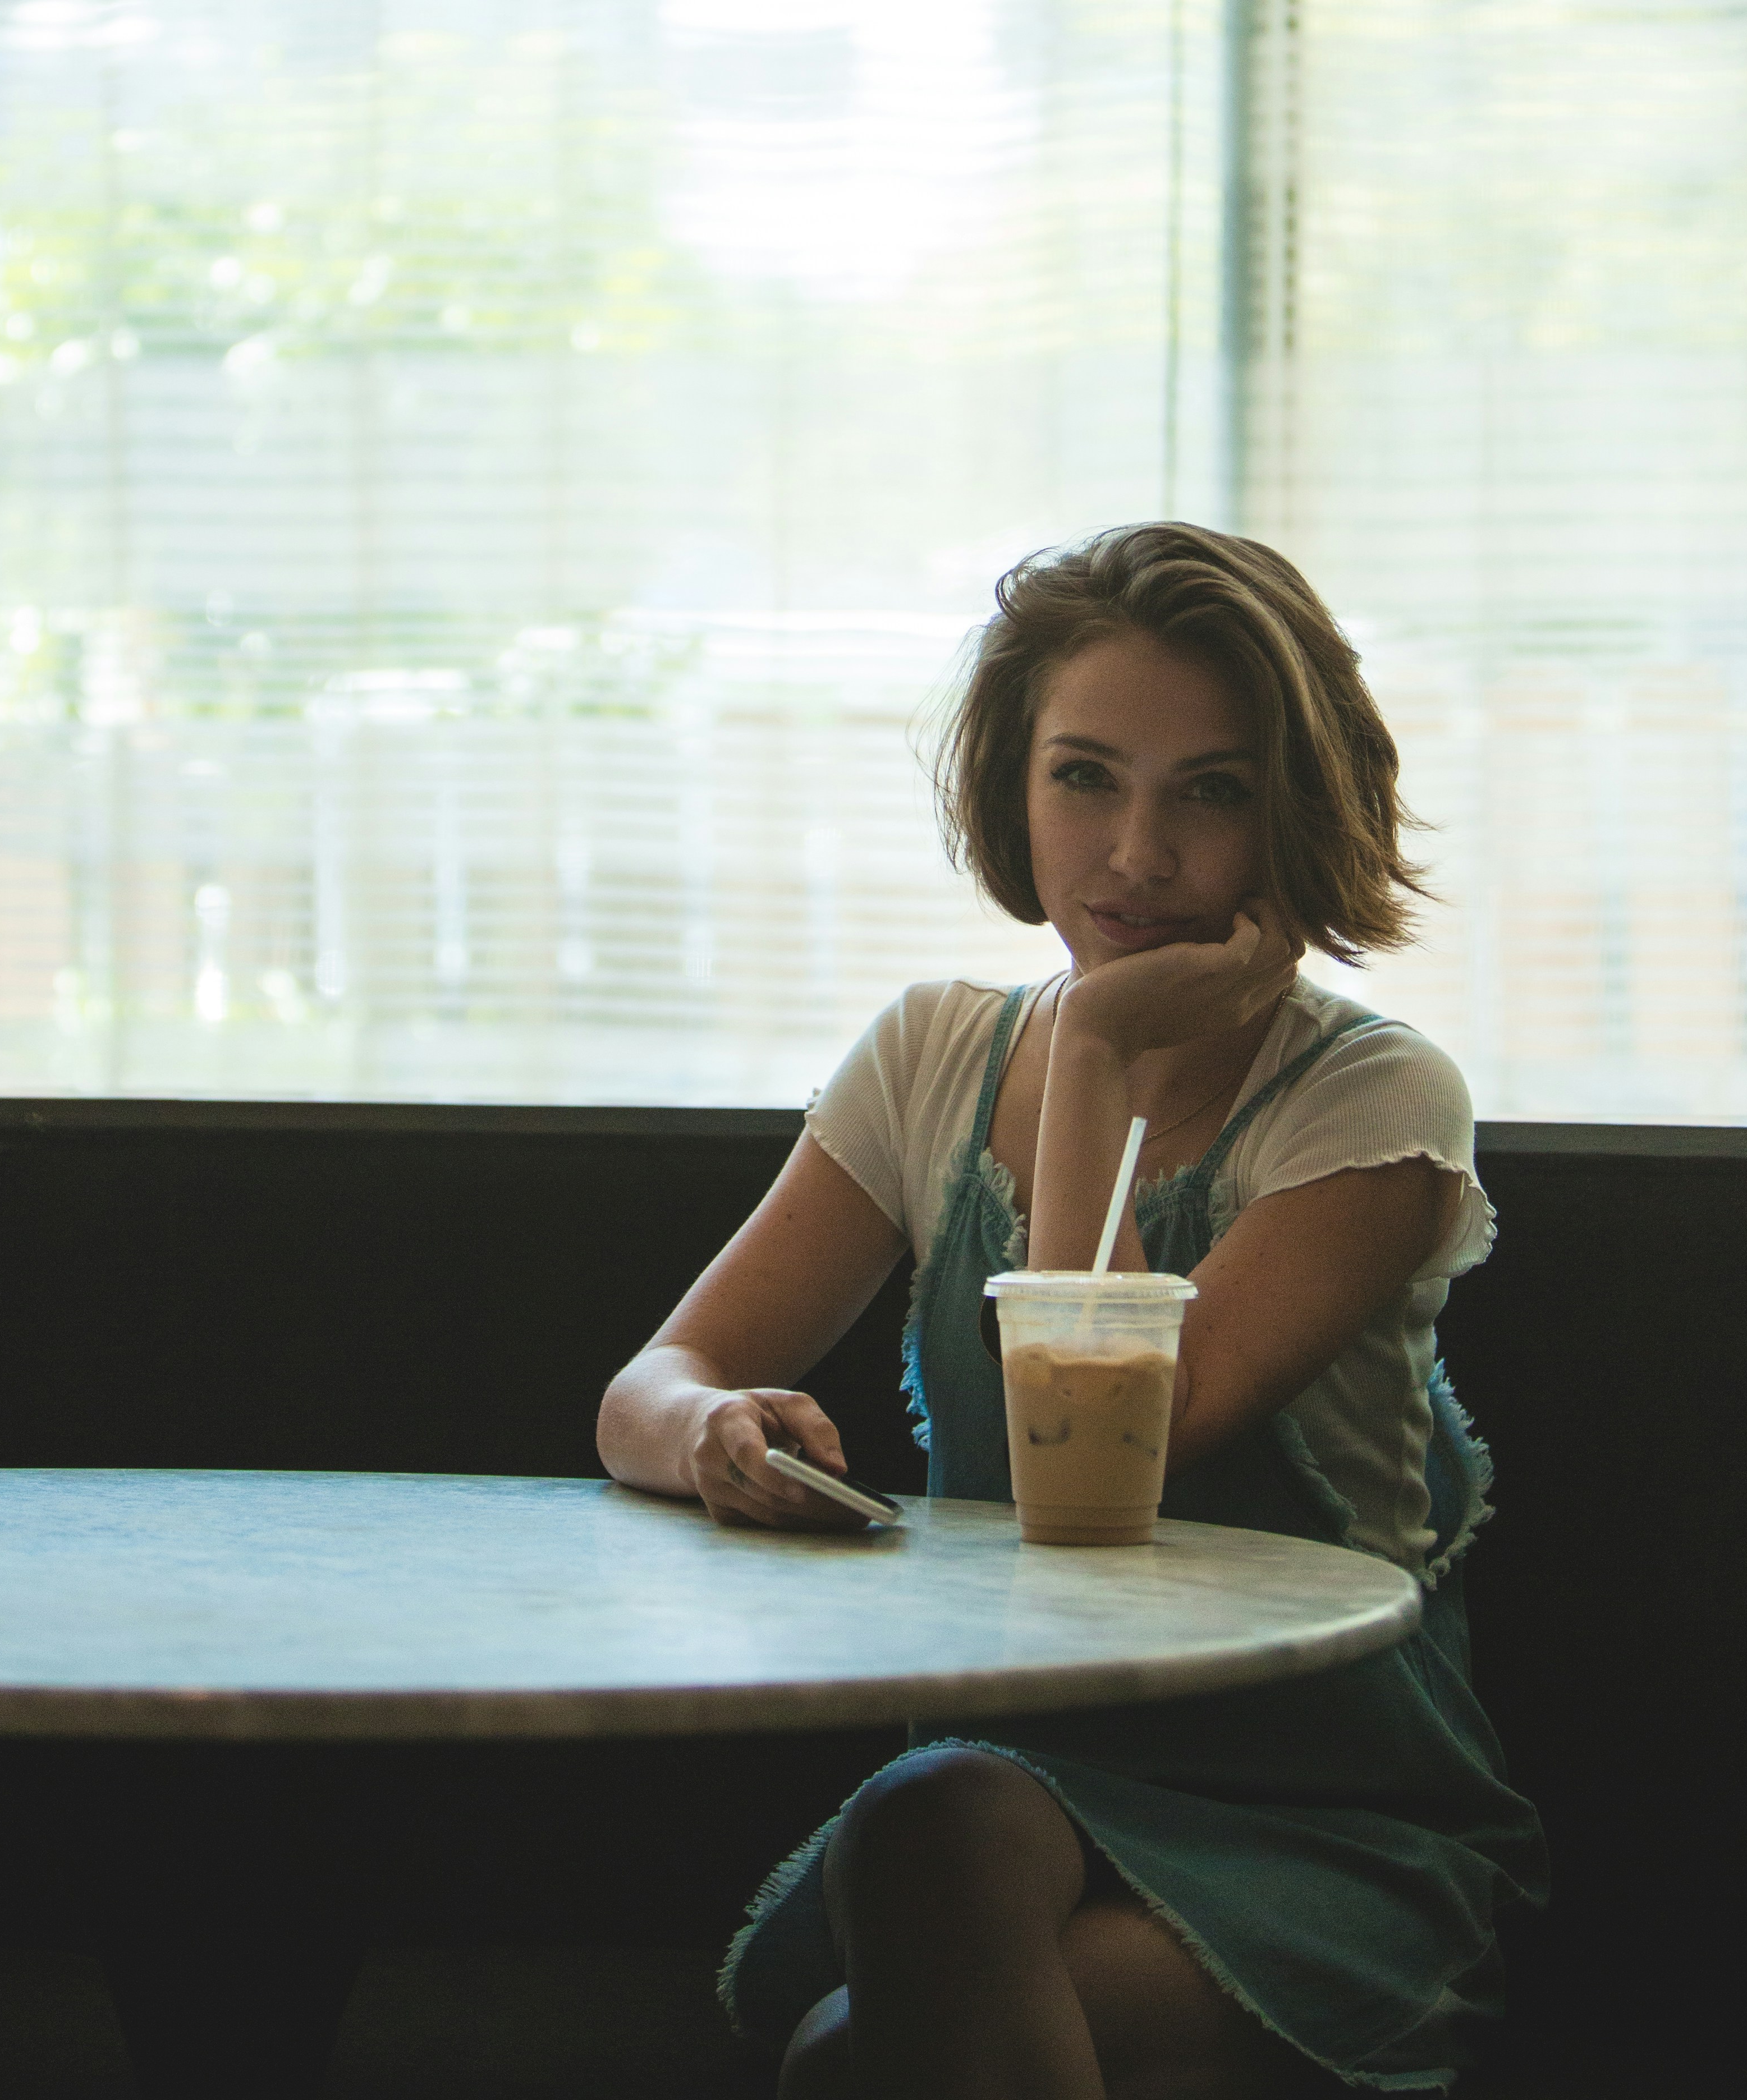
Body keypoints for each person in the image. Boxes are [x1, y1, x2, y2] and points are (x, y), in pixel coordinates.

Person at [598, 521, 1548, 2099]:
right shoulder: (928, 1056)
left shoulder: (1375, 1098)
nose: (1137, 856)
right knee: (927, 1818)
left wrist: (1096, 1049)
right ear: (1012, 787)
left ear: (1291, 812)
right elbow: (657, 1377)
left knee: (856, 2060)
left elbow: (1118, 1454)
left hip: (1316, 1804)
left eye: (1212, 791)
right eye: (1085, 777)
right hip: (1020, 1783)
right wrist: (713, 1430)